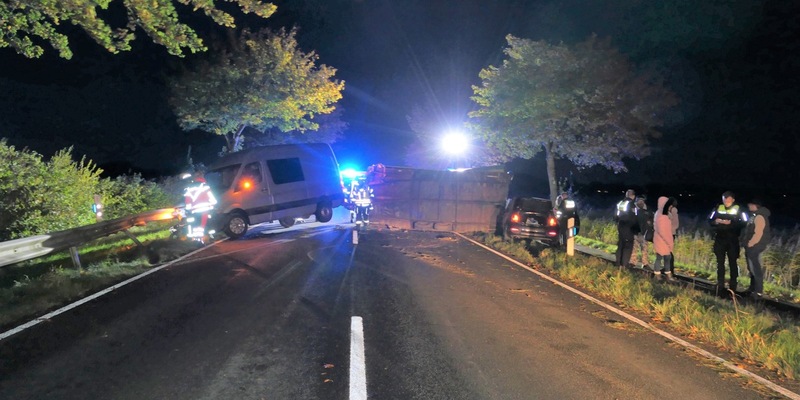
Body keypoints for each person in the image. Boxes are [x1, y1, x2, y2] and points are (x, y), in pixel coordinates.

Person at [708, 191, 749, 297]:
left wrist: (731, 223)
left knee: (733, 262)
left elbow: (745, 222)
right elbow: (709, 219)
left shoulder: (740, 209)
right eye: (724, 199)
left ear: (733, 200)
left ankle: (733, 286)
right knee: (720, 262)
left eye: (728, 199)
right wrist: (716, 222)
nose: (726, 201)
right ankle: (720, 285)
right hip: (720, 239)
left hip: (732, 239)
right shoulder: (718, 207)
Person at [743, 198, 771, 299]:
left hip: (756, 246)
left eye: (750, 204)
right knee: (751, 267)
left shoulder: (759, 217)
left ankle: (758, 291)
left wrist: (751, 243)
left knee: (755, 267)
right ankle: (752, 288)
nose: (748, 206)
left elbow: (758, 232)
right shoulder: (755, 215)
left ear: (755, 205)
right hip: (752, 245)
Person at [183, 170, 218, 240]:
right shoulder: (205, 185)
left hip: (194, 211)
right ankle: (207, 236)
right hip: (205, 209)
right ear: (201, 176)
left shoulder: (189, 188)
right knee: (204, 224)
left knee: (196, 225)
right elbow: (211, 197)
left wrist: (188, 208)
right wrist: (214, 203)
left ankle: (197, 239)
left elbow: (187, 200)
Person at [653, 196, 675, 280]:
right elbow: (663, 230)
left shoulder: (660, 213)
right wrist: (669, 241)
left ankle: (665, 274)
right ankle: (659, 274)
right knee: (661, 256)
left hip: (660, 238)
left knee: (666, 257)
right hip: (662, 239)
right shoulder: (662, 214)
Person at [615, 189, 638, 268]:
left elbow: (616, 216)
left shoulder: (620, 203)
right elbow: (633, 218)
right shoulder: (632, 204)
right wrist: (636, 229)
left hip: (620, 225)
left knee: (621, 244)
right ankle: (624, 264)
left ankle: (618, 263)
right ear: (633, 196)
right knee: (628, 245)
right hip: (628, 227)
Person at [630, 197, 652, 269]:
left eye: (642, 201)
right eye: (639, 201)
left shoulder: (647, 210)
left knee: (645, 249)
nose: (641, 203)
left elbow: (652, 218)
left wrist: (650, 223)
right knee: (634, 248)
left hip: (644, 233)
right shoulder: (633, 209)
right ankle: (632, 262)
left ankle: (645, 264)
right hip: (635, 232)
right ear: (637, 202)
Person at [666, 197, 679, 275]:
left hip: (670, 233)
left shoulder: (673, 210)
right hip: (668, 233)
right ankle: (667, 267)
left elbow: (675, 223)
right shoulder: (669, 210)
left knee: (668, 252)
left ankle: (670, 269)